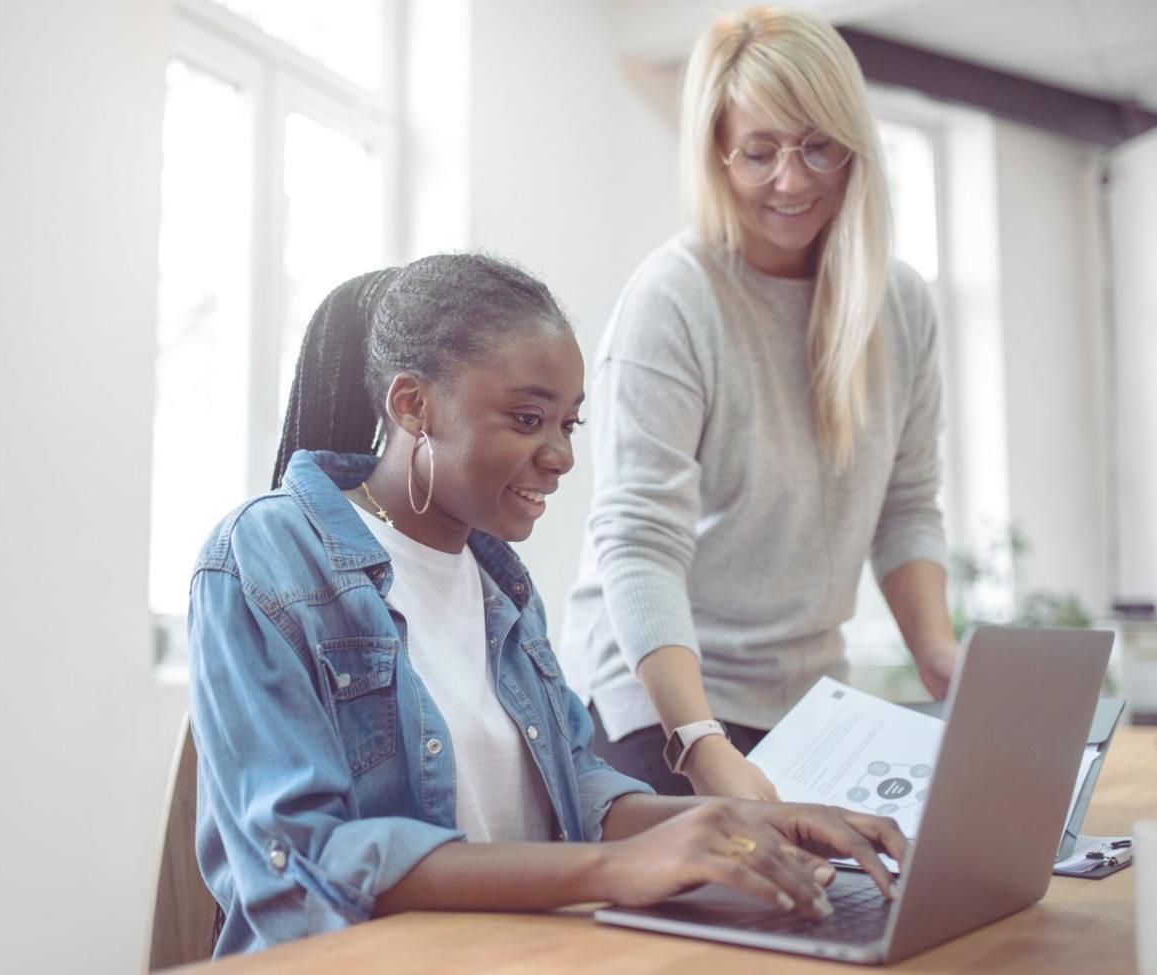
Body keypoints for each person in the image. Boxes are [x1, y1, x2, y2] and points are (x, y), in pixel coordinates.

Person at [188, 254, 906, 956]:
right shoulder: (264, 555)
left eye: (569, 423)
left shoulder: (499, 580)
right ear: (414, 405)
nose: (560, 453)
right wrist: (613, 869)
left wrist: (748, 822)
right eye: (528, 417)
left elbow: (579, 787)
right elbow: (308, 858)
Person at [560, 6, 958, 801]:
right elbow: (637, 543)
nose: (793, 179)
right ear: (714, 154)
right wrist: (701, 743)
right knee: (729, 892)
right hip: (658, 695)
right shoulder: (672, 301)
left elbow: (906, 507)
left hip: (806, 699)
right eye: (759, 151)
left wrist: (940, 655)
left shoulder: (899, 304)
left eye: (819, 146)